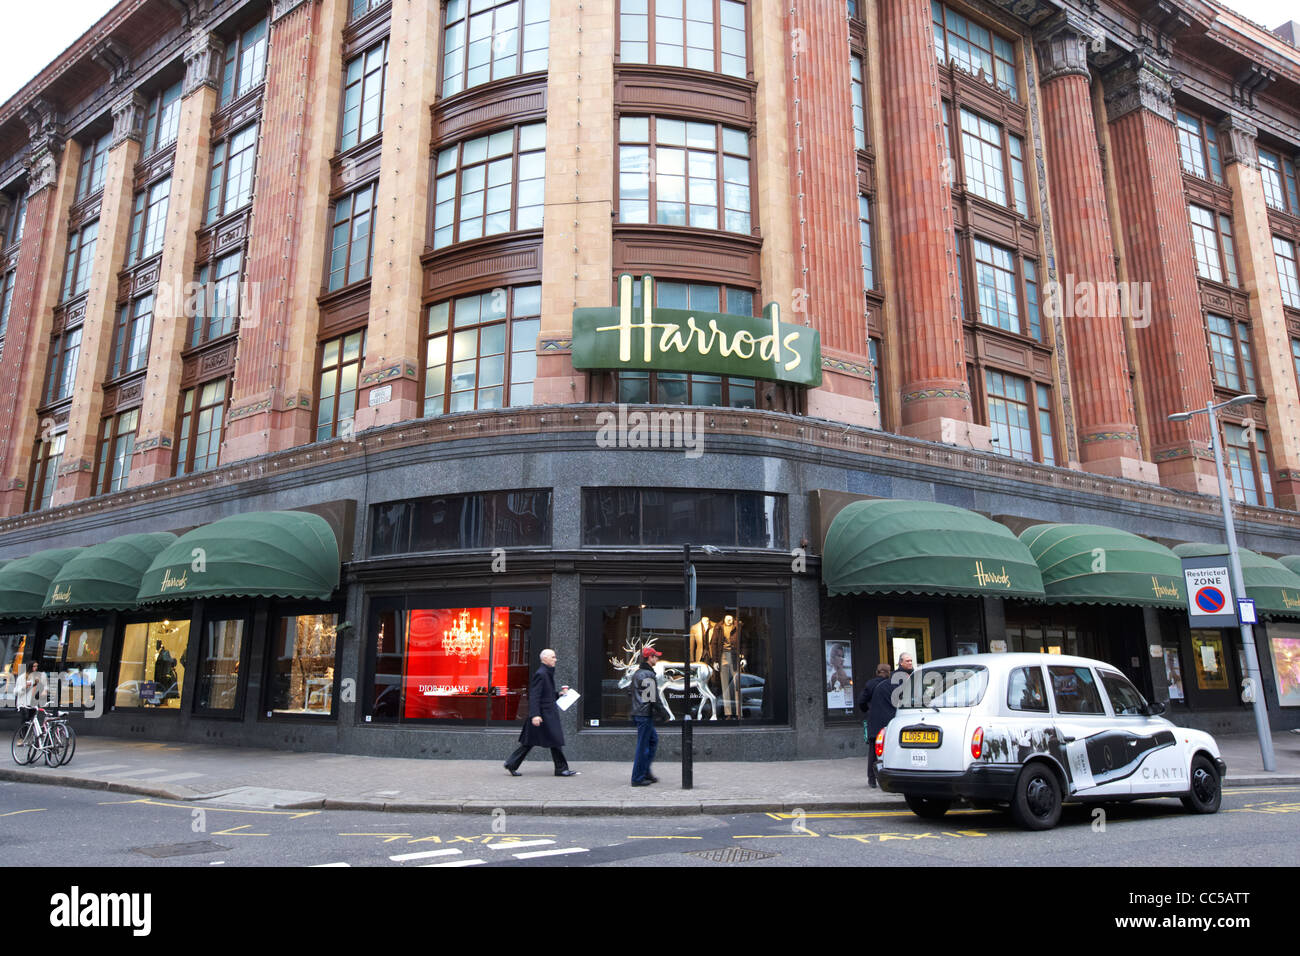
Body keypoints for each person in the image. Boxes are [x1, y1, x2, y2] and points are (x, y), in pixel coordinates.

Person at [504, 649, 578, 777]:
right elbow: (534, 696)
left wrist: (558, 694)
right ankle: (561, 769)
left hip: (545, 714)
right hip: (543, 715)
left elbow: (545, 694)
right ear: (545, 659)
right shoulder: (541, 674)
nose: (556, 659)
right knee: (553, 740)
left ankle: (512, 763)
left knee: (533, 742)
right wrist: (535, 715)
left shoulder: (546, 673)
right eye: (553, 657)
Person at [629, 646, 662, 786]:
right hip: (644, 714)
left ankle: (645, 772)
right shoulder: (648, 674)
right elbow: (652, 697)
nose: (657, 658)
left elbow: (629, 692)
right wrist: (664, 713)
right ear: (650, 658)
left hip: (640, 713)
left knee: (652, 740)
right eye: (656, 656)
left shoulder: (637, 673)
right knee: (643, 746)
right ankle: (637, 778)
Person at [857, 663, 892, 787]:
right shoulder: (893, 684)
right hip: (890, 722)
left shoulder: (870, 684)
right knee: (890, 749)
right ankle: (889, 778)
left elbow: (861, 701)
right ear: (889, 672)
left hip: (875, 721)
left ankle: (872, 779)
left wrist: (868, 710)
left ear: (877, 672)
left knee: (873, 751)